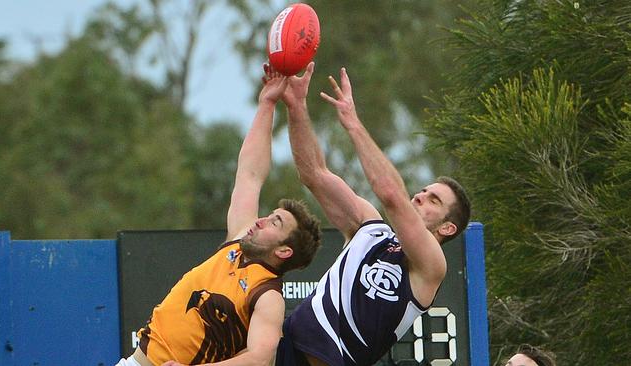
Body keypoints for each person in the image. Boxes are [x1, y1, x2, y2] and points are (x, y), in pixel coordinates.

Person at [115, 64, 322, 366]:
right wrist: (267, 103)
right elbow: (250, 174)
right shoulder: (238, 241)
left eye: (274, 222)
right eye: (269, 214)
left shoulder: (268, 296)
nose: (261, 220)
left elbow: (260, 358)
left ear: (284, 250)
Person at [275, 62, 471, 366]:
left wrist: (352, 123)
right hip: (284, 346)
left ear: (447, 228)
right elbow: (313, 173)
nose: (420, 196)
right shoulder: (370, 226)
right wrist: (296, 105)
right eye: (423, 190)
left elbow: (391, 195)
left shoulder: (431, 265)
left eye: (434, 199)